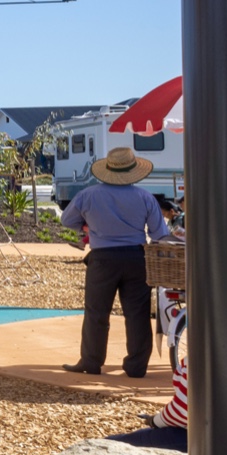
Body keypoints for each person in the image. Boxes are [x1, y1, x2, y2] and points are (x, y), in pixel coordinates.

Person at [59, 147, 171, 378]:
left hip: (102, 258)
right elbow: (160, 233)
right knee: (138, 313)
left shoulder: (88, 195)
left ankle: (91, 361)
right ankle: (136, 366)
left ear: (107, 169)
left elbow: (67, 220)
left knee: (96, 312)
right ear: (133, 171)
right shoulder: (145, 197)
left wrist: (86, 226)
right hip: (137, 258)